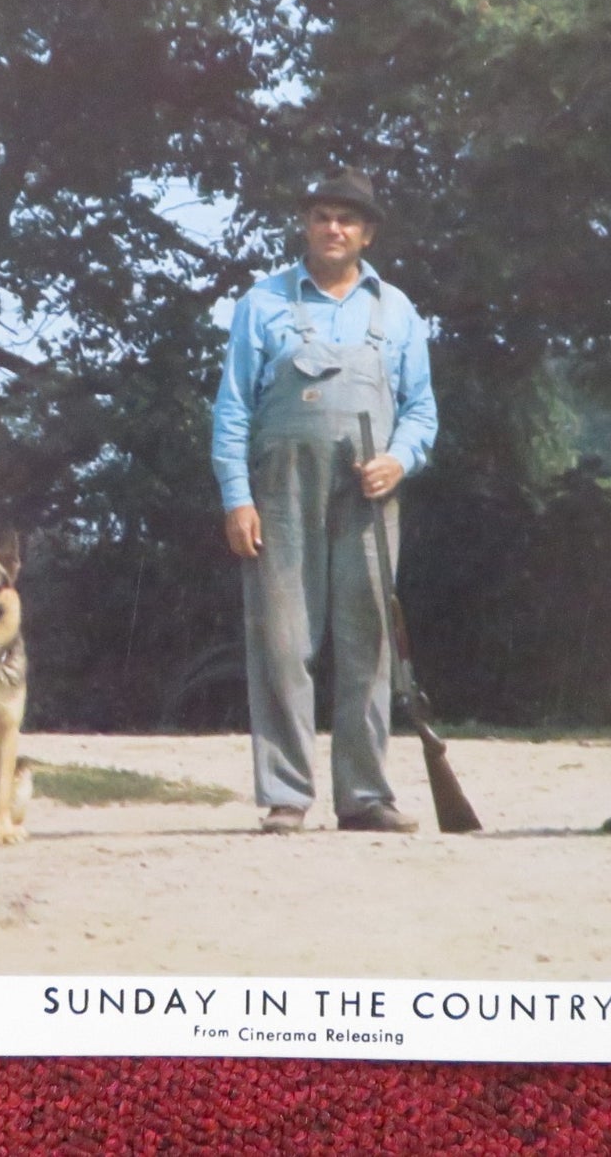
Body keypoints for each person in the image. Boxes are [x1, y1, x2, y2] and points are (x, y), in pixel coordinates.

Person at [211, 168, 438, 834]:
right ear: (306, 227)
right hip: (279, 492)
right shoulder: (263, 304)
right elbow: (231, 409)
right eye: (321, 217)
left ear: (366, 233)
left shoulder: (397, 310)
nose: (333, 228)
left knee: (368, 642)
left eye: (347, 219)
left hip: (368, 492)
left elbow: (421, 409)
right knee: (284, 641)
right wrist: (236, 498)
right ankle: (286, 795)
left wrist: (398, 460)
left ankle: (365, 796)